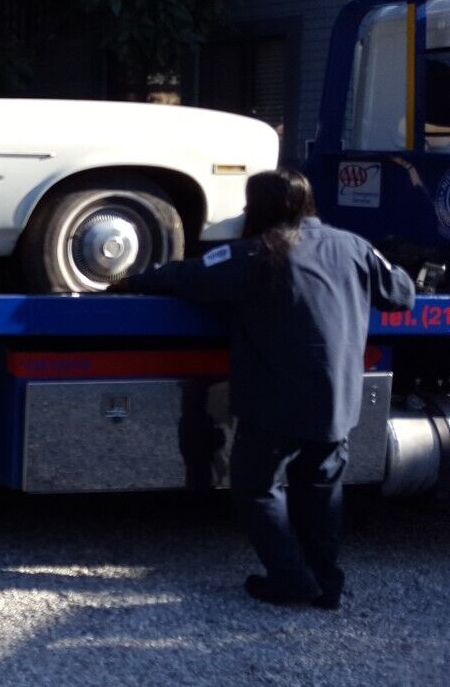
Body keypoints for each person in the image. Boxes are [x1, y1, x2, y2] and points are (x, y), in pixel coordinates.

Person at [111, 168, 416, 610]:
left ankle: (291, 578)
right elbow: (401, 293)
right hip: (337, 403)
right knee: (321, 490)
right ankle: (327, 584)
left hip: (276, 403)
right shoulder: (355, 247)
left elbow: (187, 276)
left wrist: (133, 279)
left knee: (256, 487)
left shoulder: (254, 254)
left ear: (259, 208)